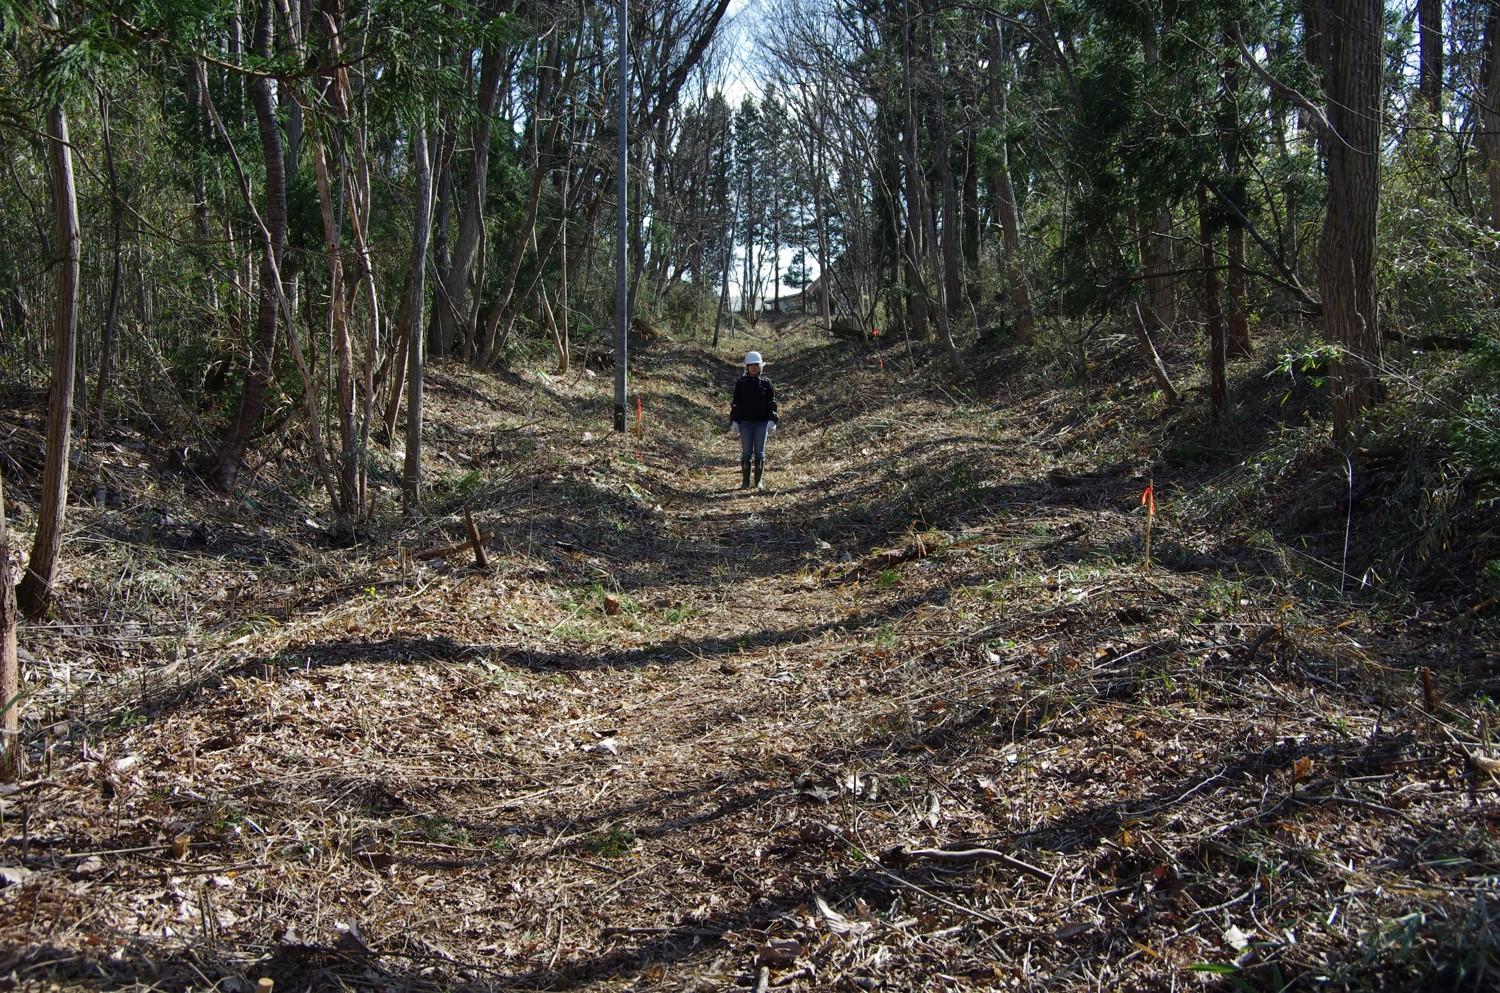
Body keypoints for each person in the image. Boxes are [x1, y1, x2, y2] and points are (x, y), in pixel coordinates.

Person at [729, 350, 778, 490]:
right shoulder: (741, 383)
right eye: (751, 365)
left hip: (762, 423)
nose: (754, 368)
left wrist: (773, 420)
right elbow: (735, 403)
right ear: (747, 367)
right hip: (745, 423)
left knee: (760, 452)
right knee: (746, 452)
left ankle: (758, 482)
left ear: (761, 366)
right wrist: (734, 421)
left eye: (756, 365)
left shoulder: (767, 383)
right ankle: (745, 481)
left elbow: (772, 403)